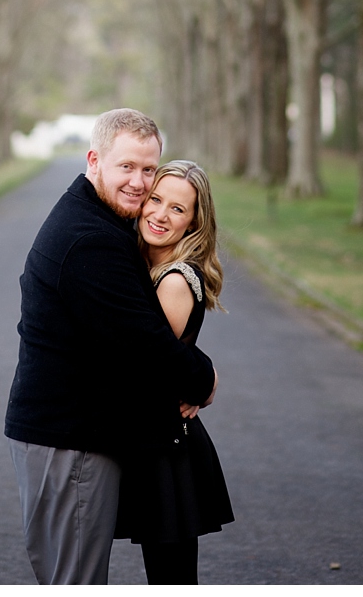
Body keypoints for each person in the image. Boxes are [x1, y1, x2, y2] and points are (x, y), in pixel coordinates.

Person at [4, 108, 218, 583]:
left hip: (71, 436)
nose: (140, 183)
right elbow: (146, 347)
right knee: (76, 581)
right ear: (94, 160)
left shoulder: (99, 219)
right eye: (127, 167)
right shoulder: (90, 241)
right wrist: (204, 377)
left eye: (148, 169)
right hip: (68, 440)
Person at [114, 160, 235, 583]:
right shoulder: (139, 262)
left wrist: (205, 379)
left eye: (178, 209)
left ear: (194, 225)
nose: (161, 215)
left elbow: (150, 365)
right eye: (156, 200)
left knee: (172, 579)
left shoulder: (175, 280)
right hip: (152, 440)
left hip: (167, 451)